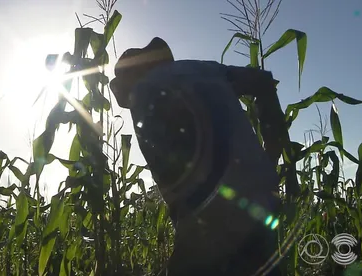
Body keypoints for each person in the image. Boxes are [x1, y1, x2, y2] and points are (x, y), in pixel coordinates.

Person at [110, 37, 283, 276]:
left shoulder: (144, 92)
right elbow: (263, 80)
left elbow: (175, 173)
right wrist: (272, 153)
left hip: (213, 209)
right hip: (264, 198)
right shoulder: (206, 68)